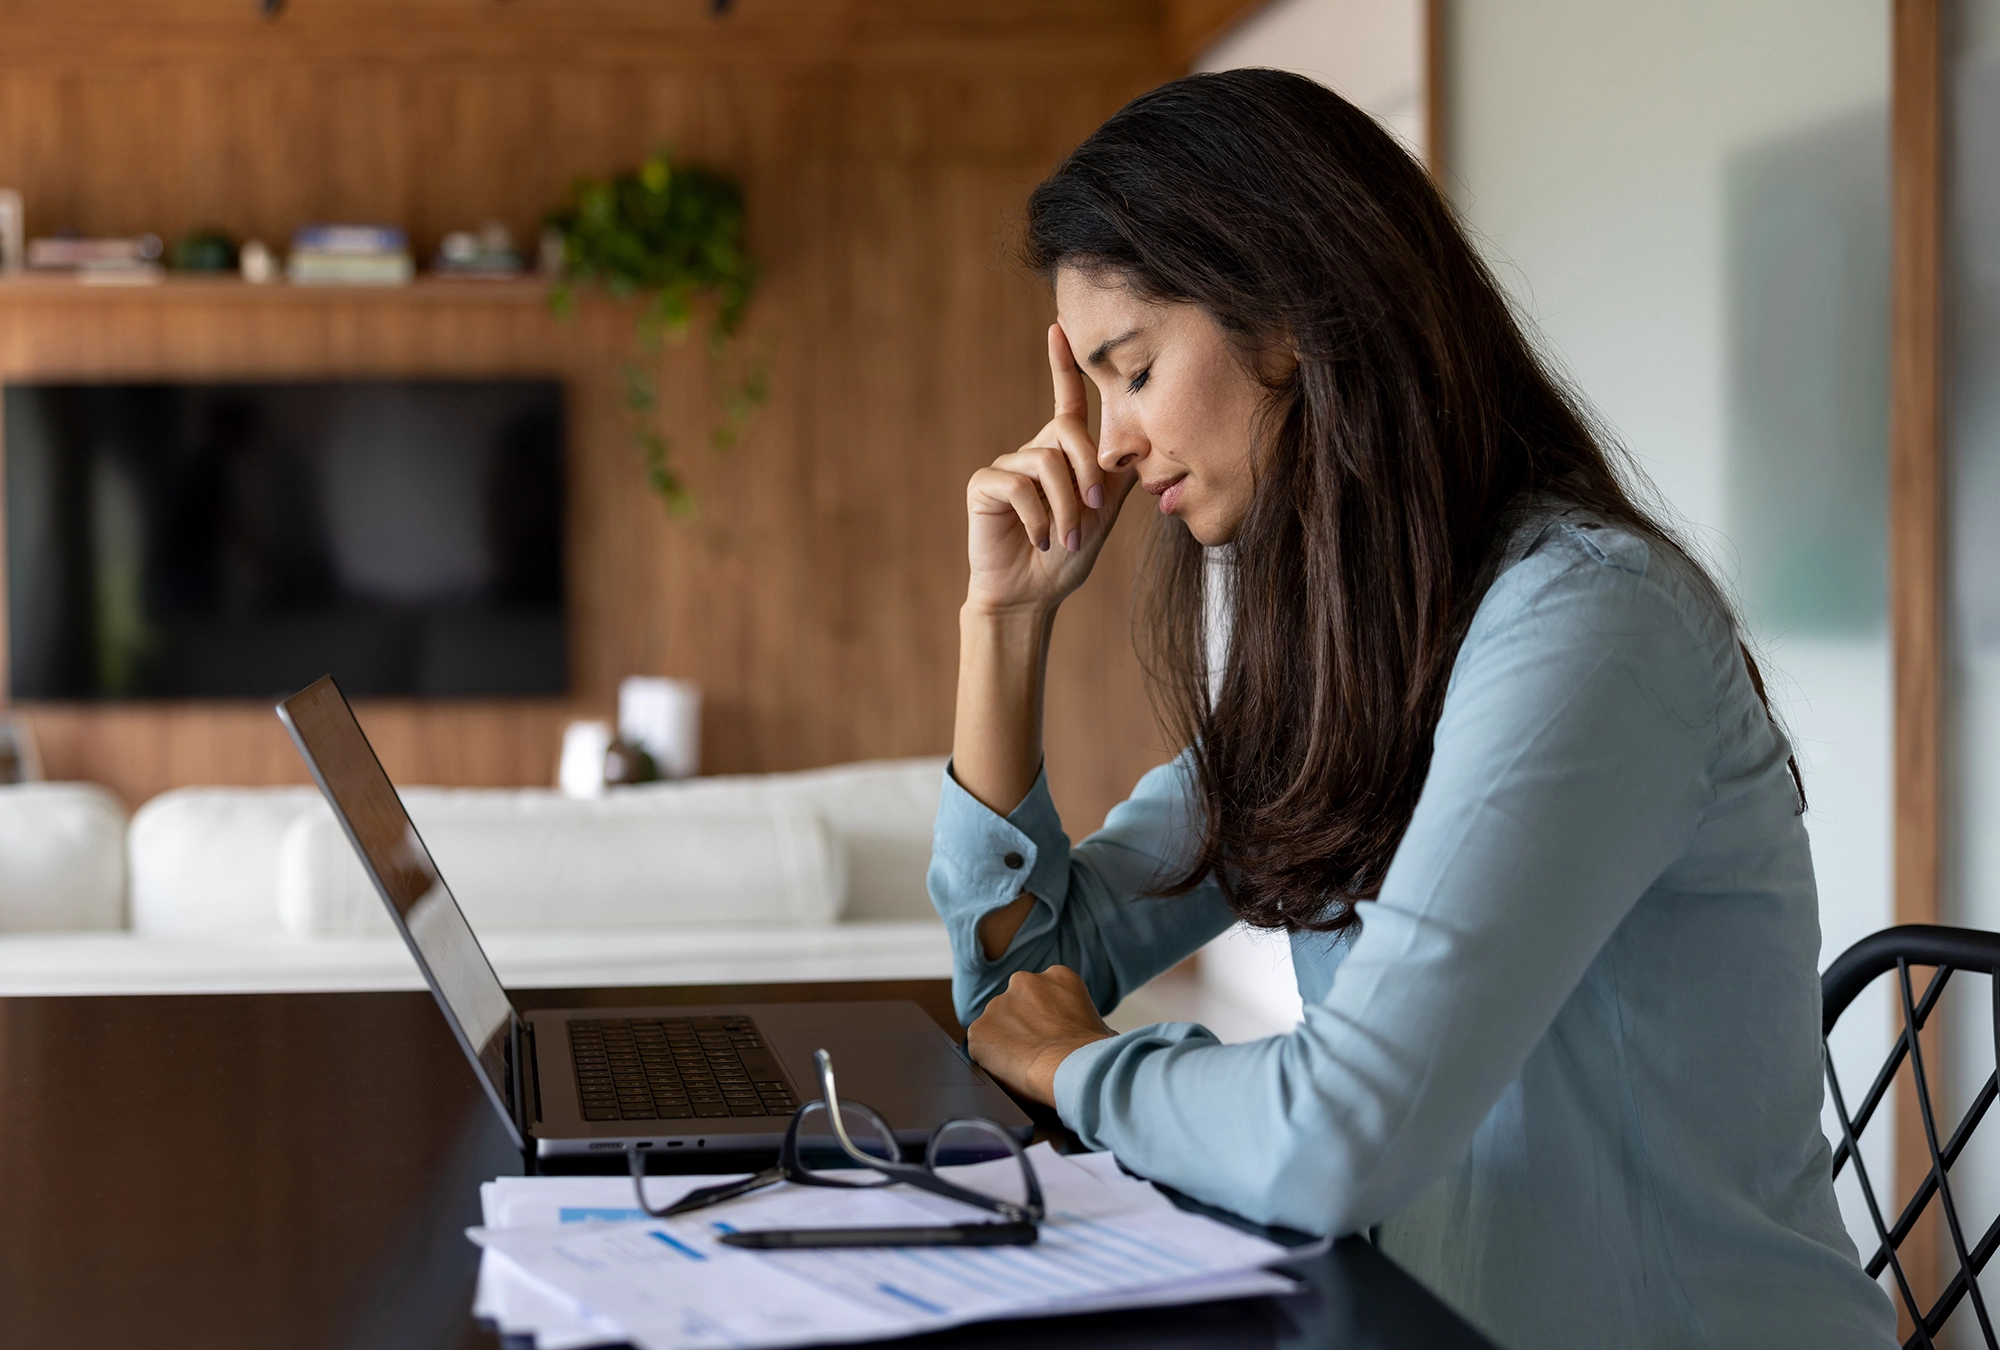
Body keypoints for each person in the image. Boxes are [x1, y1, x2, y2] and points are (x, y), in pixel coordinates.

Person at [926, 68, 1896, 1347]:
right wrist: (1003, 625)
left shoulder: (1587, 627)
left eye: (1132, 369)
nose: (1103, 442)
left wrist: (1081, 1067)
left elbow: (1338, 1138)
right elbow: (1018, 979)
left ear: (1284, 316)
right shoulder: (1354, 652)